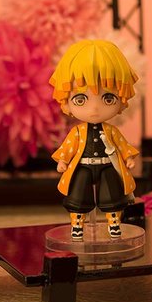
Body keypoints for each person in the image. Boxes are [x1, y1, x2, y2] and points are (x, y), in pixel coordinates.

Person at [50, 39, 140, 240]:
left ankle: (113, 224)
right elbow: (68, 148)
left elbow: (123, 146)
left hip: (108, 165)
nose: (94, 109)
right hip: (82, 166)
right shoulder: (78, 132)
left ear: (121, 98)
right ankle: (77, 225)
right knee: (78, 194)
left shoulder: (112, 131)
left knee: (112, 195)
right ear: (66, 100)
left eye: (108, 98)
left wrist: (128, 158)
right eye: (80, 99)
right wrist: (63, 160)